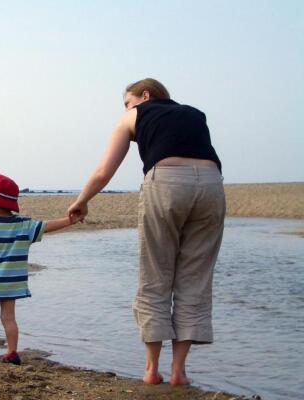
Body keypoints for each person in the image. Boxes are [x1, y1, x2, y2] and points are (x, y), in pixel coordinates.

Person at [67, 78, 225, 385]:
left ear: (145, 96)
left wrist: (81, 201)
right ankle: (179, 372)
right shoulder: (195, 113)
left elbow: (103, 171)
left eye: (127, 101)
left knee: (155, 275)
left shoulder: (133, 115)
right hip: (211, 185)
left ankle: (152, 370)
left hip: (167, 182)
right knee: (195, 278)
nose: (125, 108)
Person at [0, 173, 80, 365]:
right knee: (9, 318)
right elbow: (47, 226)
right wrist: (70, 220)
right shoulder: (25, 225)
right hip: (13, 282)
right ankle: (12, 353)